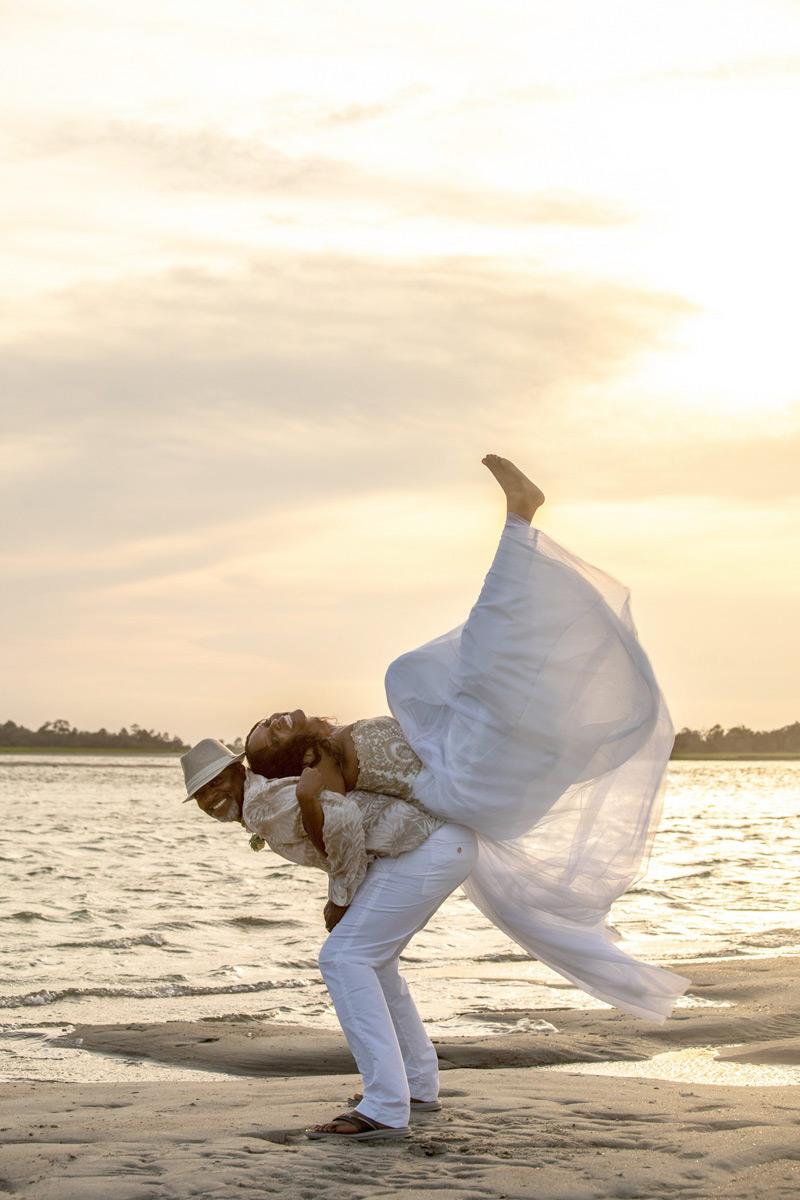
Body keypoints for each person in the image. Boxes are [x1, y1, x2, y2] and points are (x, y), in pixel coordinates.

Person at [183, 455, 689, 1140]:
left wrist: (338, 899)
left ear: (255, 771)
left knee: (347, 955)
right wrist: (344, 890)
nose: (216, 794)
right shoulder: (307, 773)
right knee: (477, 665)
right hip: (451, 794)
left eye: (219, 779)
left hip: (451, 790)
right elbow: (342, 823)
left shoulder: (300, 781)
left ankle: (388, 1103)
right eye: (209, 790)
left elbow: (337, 824)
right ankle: (411, 1088)